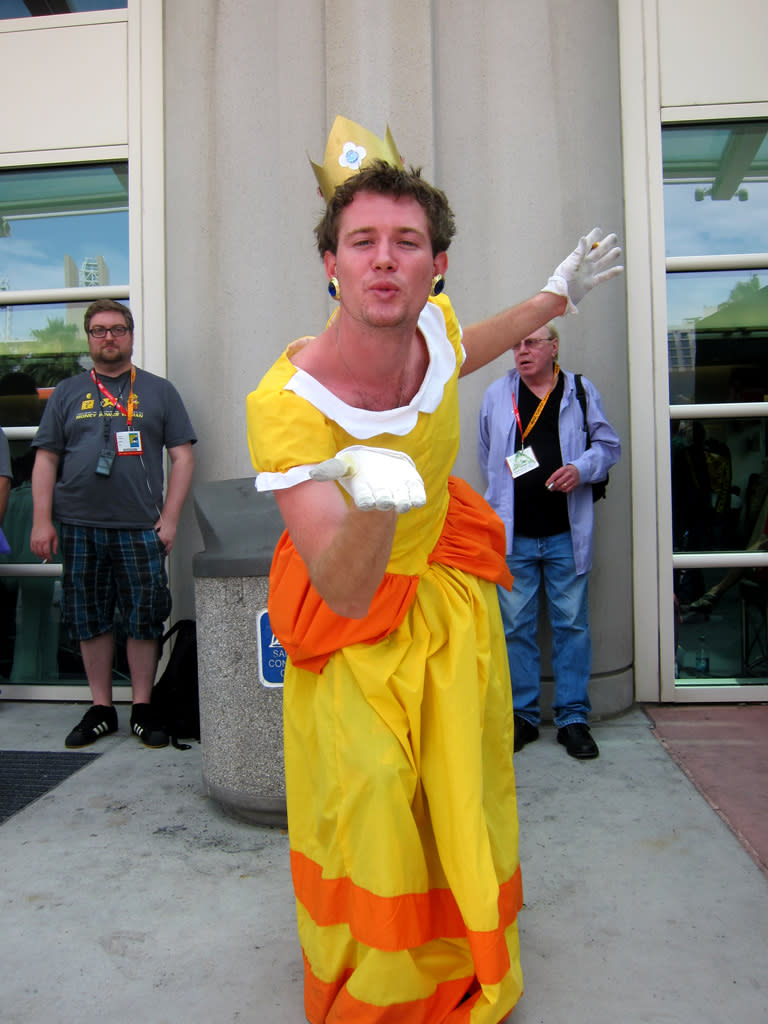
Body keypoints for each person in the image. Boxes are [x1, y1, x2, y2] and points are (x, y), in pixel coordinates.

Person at [246, 117, 622, 1024]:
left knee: (459, 786)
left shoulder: (437, 333)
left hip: (444, 601)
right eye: (362, 241)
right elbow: (341, 588)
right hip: (352, 616)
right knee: (372, 791)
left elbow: (476, 341)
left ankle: (464, 945)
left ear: (436, 265)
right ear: (328, 266)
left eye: (407, 242)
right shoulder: (287, 405)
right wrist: (376, 499)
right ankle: (378, 980)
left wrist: (552, 301)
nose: (385, 259)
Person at [30, 299, 197, 749]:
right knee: (90, 618)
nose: (109, 338)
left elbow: (182, 456)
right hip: (79, 524)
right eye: (100, 330)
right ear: (88, 337)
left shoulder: (160, 391)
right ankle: (101, 707)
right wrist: (41, 520)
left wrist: (170, 519)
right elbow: (46, 458)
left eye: (118, 329)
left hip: (141, 526)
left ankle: (142, 707)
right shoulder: (67, 393)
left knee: (144, 617)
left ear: (131, 335)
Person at [478, 322, 620, 760]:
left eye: (532, 343)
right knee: (516, 628)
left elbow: (609, 445)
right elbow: (488, 457)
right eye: (516, 344)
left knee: (571, 627)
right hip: (516, 537)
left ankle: (573, 718)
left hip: (565, 533)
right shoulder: (496, 395)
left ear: (553, 347)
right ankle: (522, 716)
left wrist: (582, 468)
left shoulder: (578, 390)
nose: (521, 351)